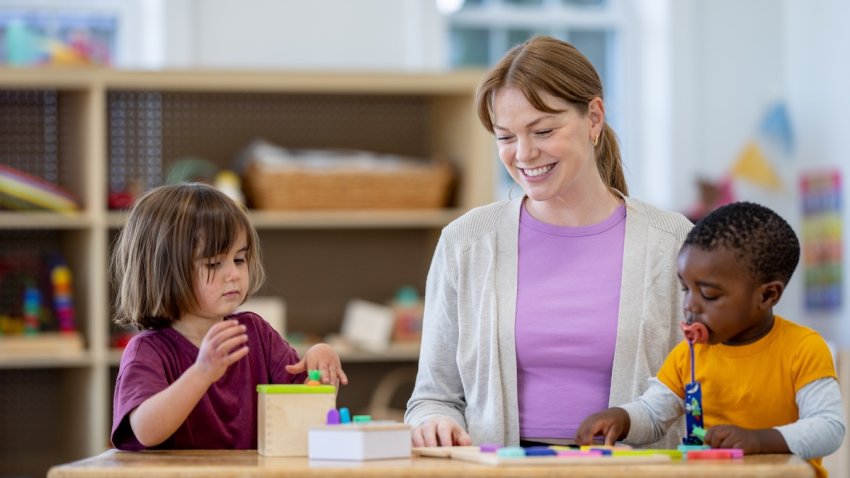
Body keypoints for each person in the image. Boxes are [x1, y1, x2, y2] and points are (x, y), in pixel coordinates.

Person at [404, 35, 693, 448]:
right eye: (505, 137)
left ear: (594, 117)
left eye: (542, 130)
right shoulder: (466, 242)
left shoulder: (673, 242)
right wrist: (435, 421)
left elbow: (704, 387)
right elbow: (433, 397)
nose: (523, 153)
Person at [576, 202, 845, 478]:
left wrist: (759, 441)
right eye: (686, 289)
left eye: (709, 295)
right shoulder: (688, 355)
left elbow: (828, 427)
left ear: (767, 296)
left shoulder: (803, 348)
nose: (690, 306)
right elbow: (654, 415)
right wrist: (622, 418)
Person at [110, 182, 349, 450]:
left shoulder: (255, 333)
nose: (234, 274)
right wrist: (202, 373)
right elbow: (145, 430)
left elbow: (305, 408)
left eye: (239, 259)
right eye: (214, 263)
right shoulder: (147, 351)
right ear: (164, 271)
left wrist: (322, 368)